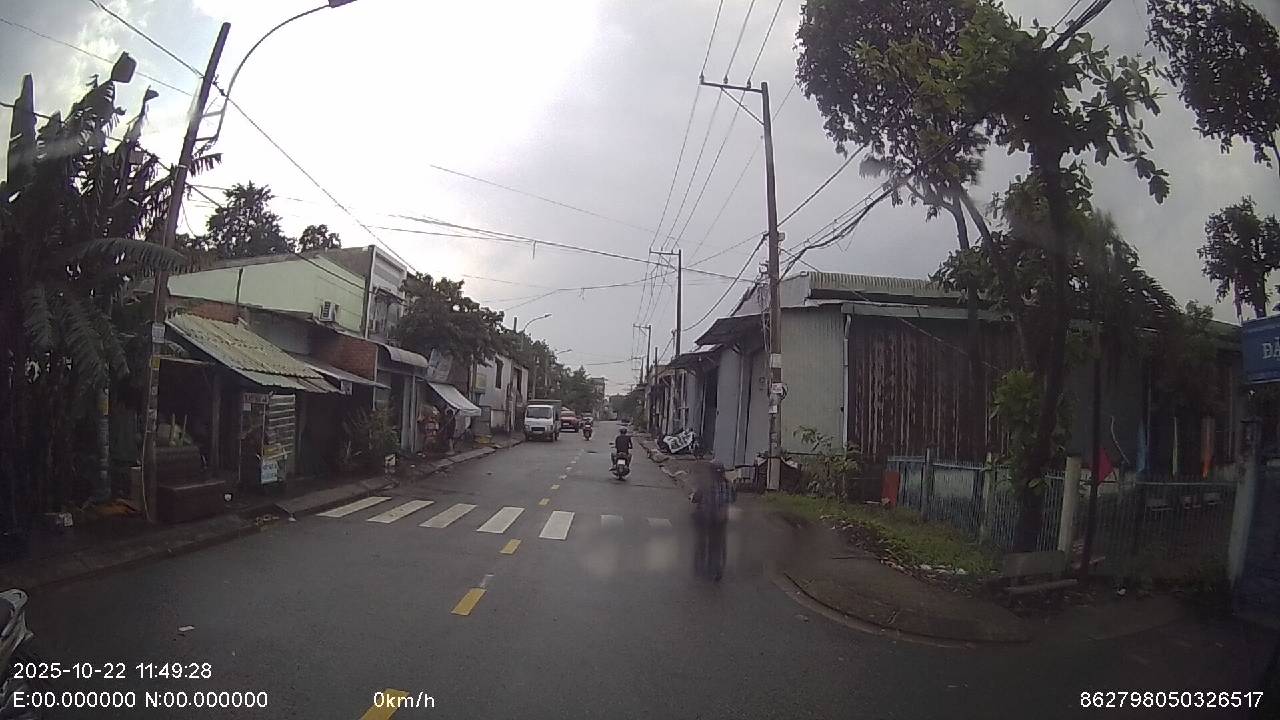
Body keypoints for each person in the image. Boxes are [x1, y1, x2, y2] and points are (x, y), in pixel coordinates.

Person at [691, 459, 735, 581]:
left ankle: (701, 567)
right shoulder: (728, 485)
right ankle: (715, 568)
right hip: (720, 520)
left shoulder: (706, 484)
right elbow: (732, 499)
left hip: (706, 519)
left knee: (702, 542)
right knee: (717, 545)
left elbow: (696, 498)